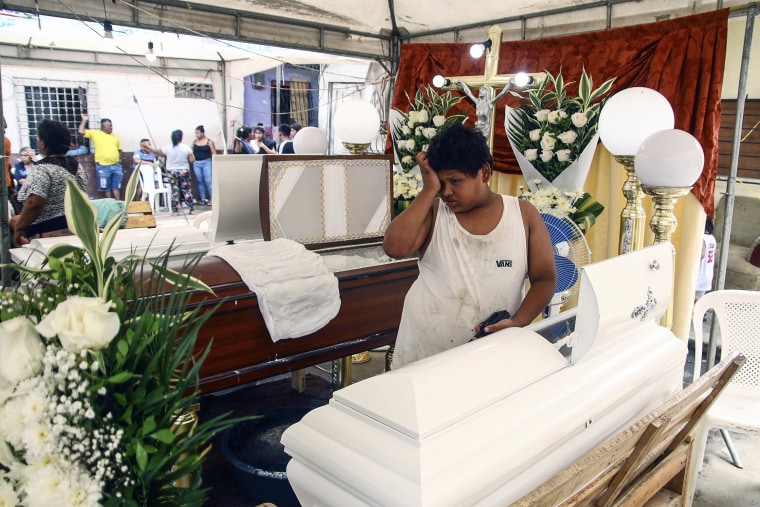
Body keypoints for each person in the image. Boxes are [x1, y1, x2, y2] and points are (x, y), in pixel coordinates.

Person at [383, 123, 556, 368]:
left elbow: (545, 278)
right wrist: (428, 190)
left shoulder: (522, 214)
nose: (447, 191)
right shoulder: (433, 212)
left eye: (456, 180)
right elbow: (394, 247)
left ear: (485, 173)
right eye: (440, 182)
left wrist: (518, 322)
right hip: (425, 349)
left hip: (490, 352)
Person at [10, 120, 88, 247]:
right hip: (77, 229)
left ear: (42, 143)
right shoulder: (78, 167)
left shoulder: (42, 169)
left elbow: (35, 203)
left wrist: (19, 228)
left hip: (48, 235)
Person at [142, 130, 195, 216]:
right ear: (181, 137)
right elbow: (192, 159)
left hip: (171, 171)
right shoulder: (186, 148)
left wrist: (147, 146)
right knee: (186, 191)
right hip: (184, 171)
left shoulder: (167, 148)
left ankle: (175, 211)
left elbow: (156, 151)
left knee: (175, 191)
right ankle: (191, 210)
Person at [78, 113, 123, 199]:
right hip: (103, 166)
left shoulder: (115, 135)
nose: (111, 127)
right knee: (107, 188)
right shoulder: (95, 133)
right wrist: (84, 120)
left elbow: (119, 149)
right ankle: (110, 205)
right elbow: (81, 131)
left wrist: (120, 158)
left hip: (116, 166)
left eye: (111, 125)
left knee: (116, 187)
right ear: (103, 126)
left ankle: (119, 204)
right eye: (109, 126)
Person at [192, 125, 216, 205]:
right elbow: (191, 152)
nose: (196, 135)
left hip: (207, 162)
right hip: (196, 163)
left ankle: (212, 199)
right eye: (195, 133)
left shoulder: (209, 141)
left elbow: (213, 152)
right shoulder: (195, 142)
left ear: (202, 133)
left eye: (197, 133)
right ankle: (203, 198)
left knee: (208, 181)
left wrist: (215, 162)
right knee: (200, 181)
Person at [696, 216, 717, 302]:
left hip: (699, 275)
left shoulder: (701, 238)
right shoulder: (712, 237)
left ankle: (704, 304)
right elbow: (714, 252)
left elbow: (701, 254)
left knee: (690, 295)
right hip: (707, 275)